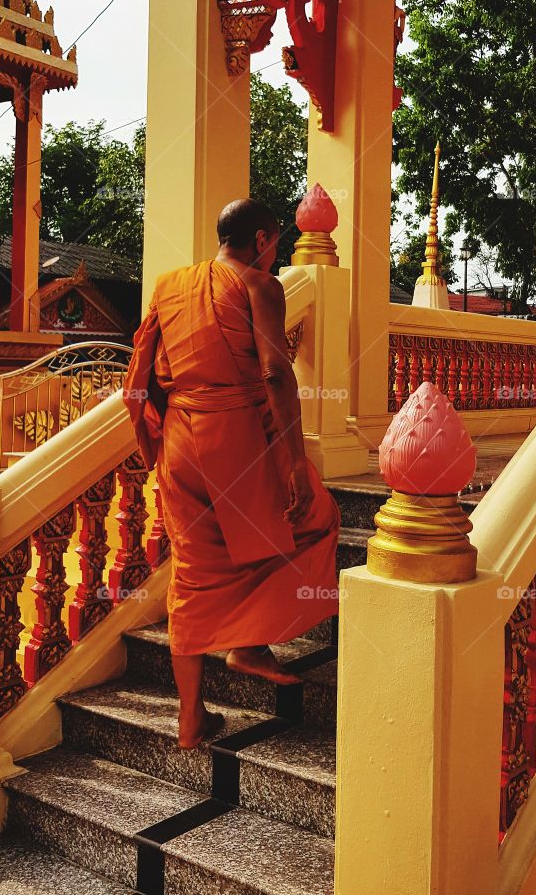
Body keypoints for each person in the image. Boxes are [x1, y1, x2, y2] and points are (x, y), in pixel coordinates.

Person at [123, 199, 340, 749]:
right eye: (275, 244)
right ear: (263, 240)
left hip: (180, 443)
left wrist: (158, 434)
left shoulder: (170, 285)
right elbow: (275, 372)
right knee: (314, 521)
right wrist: (294, 459)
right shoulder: (259, 285)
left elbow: (144, 368)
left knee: (194, 574)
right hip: (237, 438)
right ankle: (247, 644)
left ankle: (191, 716)